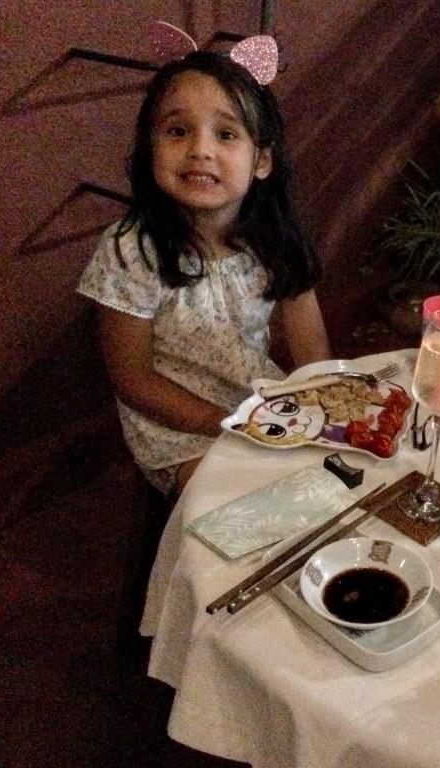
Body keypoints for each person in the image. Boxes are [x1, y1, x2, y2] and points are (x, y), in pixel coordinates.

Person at [78, 50, 331, 497]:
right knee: (254, 508)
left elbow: (313, 355)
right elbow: (133, 380)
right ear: (150, 148)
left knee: (335, 485)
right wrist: (231, 425)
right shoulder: (131, 250)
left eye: (226, 134)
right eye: (177, 131)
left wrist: (323, 415)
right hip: (178, 428)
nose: (200, 150)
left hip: (259, 407)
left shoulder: (274, 240)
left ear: (262, 161)